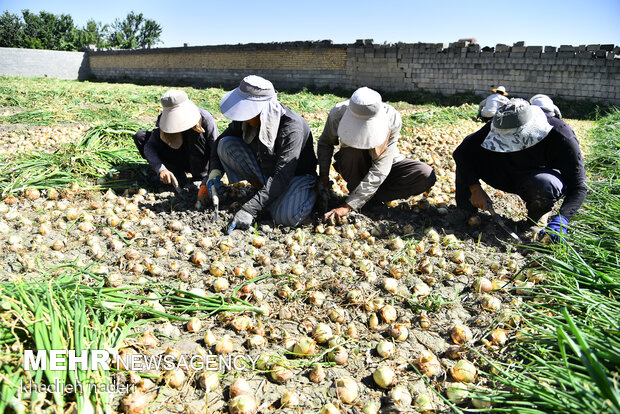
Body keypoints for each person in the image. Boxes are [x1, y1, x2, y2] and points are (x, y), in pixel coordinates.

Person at [453, 98, 587, 241]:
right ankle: (466, 212)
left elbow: (578, 187)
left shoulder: (561, 136)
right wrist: (474, 188)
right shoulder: (501, 123)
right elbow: (462, 152)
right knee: (468, 158)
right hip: (503, 170)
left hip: (536, 178)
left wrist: (562, 219)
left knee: (545, 184)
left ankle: (536, 218)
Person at [206, 75, 317, 231]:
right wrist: (215, 171)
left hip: (294, 177)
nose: (241, 115)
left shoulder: (292, 128)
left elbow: (282, 176)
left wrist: (249, 209)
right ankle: (265, 195)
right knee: (226, 145)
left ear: (261, 110)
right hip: (267, 171)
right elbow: (220, 141)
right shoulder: (247, 121)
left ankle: (313, 192)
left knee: (284, 217)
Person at [317, 87, 436, 223]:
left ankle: (367, 198)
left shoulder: (391, 118)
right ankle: (363, 197)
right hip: (355, 165)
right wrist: (324, 176)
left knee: (425, 174)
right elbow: (325, 143)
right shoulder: (338, 113)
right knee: (351, 152)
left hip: (386, 165)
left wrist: (347, 206)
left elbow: (381, 169)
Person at [134, 89, 218, 192]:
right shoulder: (163, 119)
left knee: (196, 132)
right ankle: (176, 175)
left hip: (199, 160)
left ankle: (199, 178)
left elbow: (216, 149)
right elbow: (150, 146)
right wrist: (161, 169)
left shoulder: (205, 118)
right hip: (179, 156)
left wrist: (211, 176)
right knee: (141, 137)